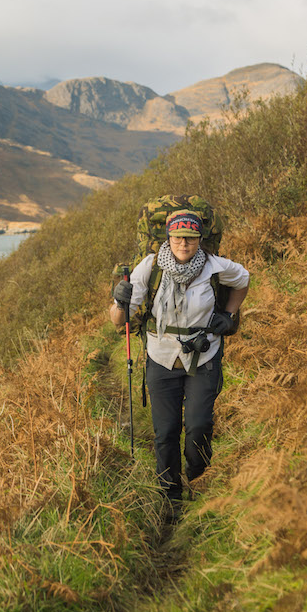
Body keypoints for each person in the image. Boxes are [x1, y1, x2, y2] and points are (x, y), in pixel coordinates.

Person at [109, 210, 249, 503]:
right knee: (166, 430)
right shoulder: (150, 266)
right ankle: (169, 494)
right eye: (177, 237)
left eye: (190, 238)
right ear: (168, 238)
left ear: (200, 239)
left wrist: (229, 314)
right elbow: (118, 319)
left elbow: (243, 279)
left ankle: (199, 483)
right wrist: (120, 300)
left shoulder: (215, 266)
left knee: (198, 425)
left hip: (204, 355)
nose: (183, 243)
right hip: (161, 355)